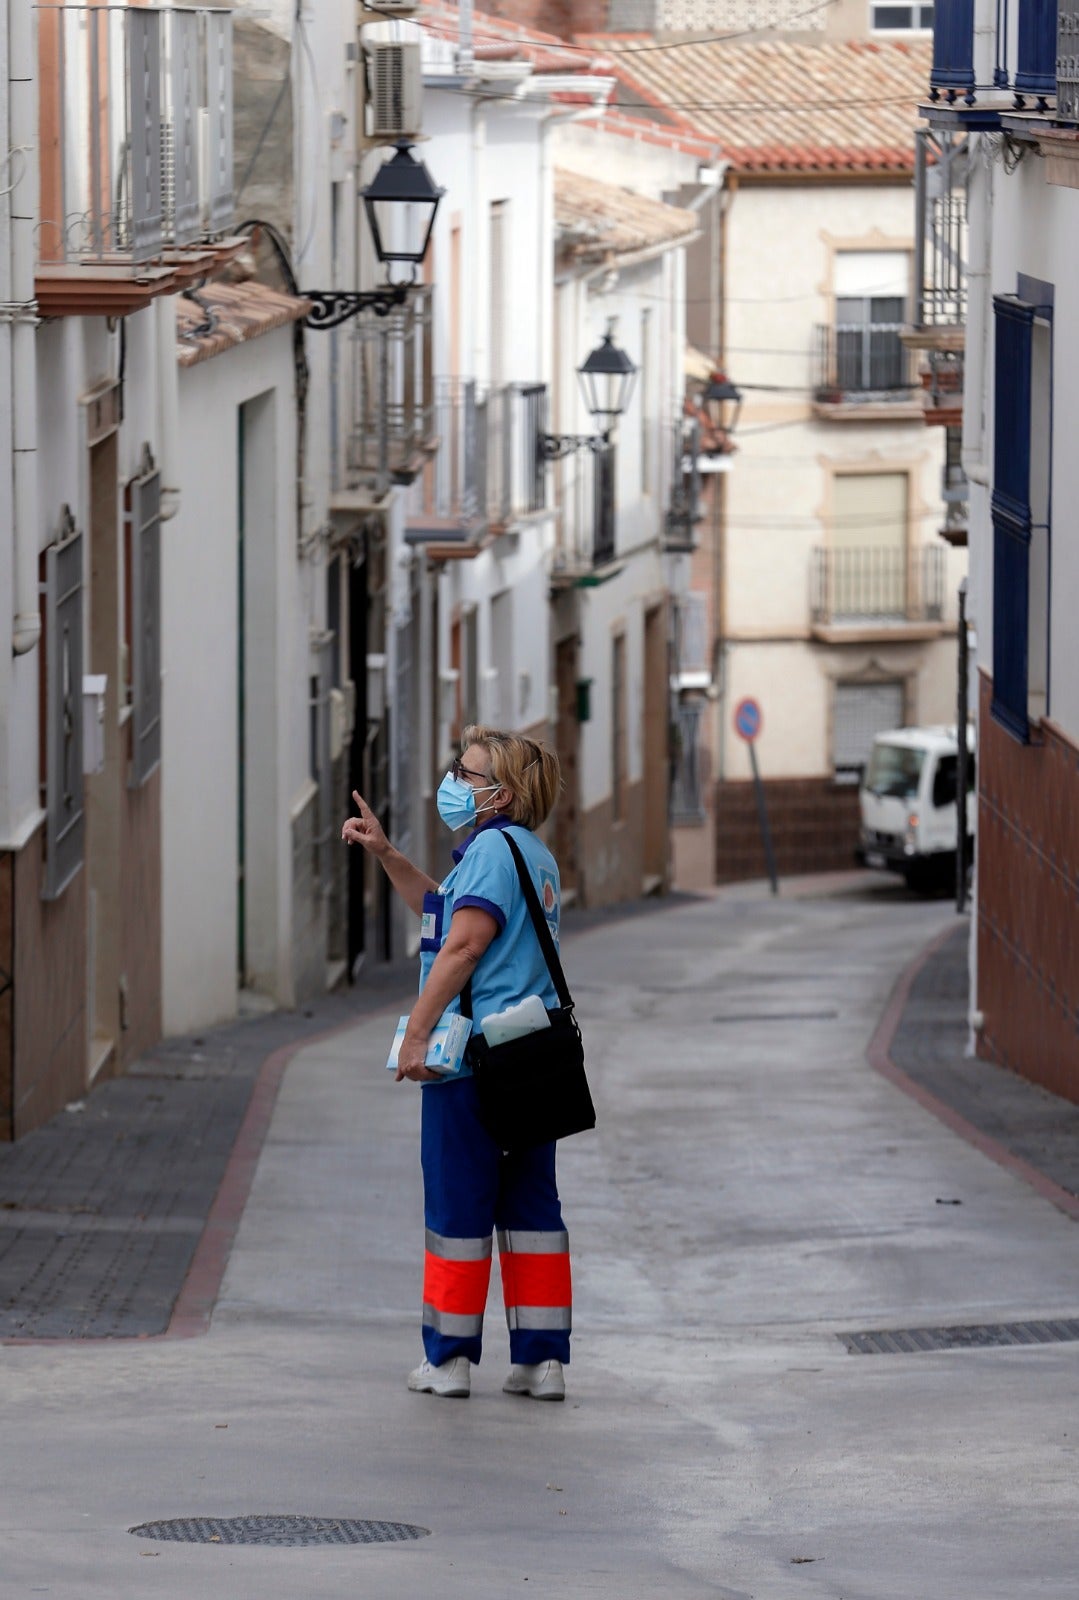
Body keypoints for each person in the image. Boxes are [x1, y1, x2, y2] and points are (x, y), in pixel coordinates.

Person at [341, 726, 571, 1402]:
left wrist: (416, 1035)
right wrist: (387, 854)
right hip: (531, 1055)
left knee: (457, 1206)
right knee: (531, 1208)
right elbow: (442, 911)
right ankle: (541, 1360)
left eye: (463, 773)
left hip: (473, 1063)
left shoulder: (490, 854)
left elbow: (462, 947)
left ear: (497, 794)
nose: (451, 780)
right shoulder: (527, 854)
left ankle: (447, 1361)